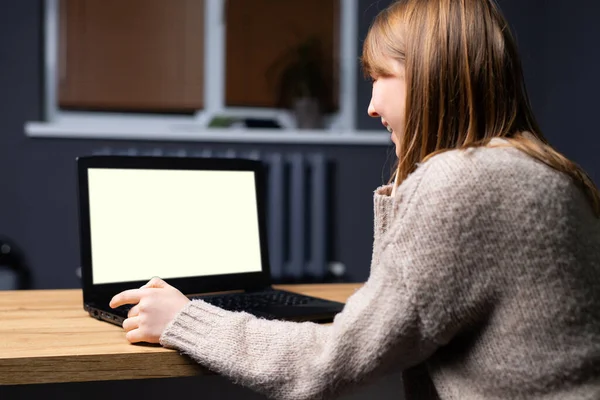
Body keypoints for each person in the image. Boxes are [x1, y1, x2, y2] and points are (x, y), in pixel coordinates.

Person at [110, 0, 600, 399]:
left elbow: (332, 364)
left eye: (381, 77)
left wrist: (184, 319)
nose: (370, 105)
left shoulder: (463, 182)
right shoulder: (547, 171)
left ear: (433, 76)